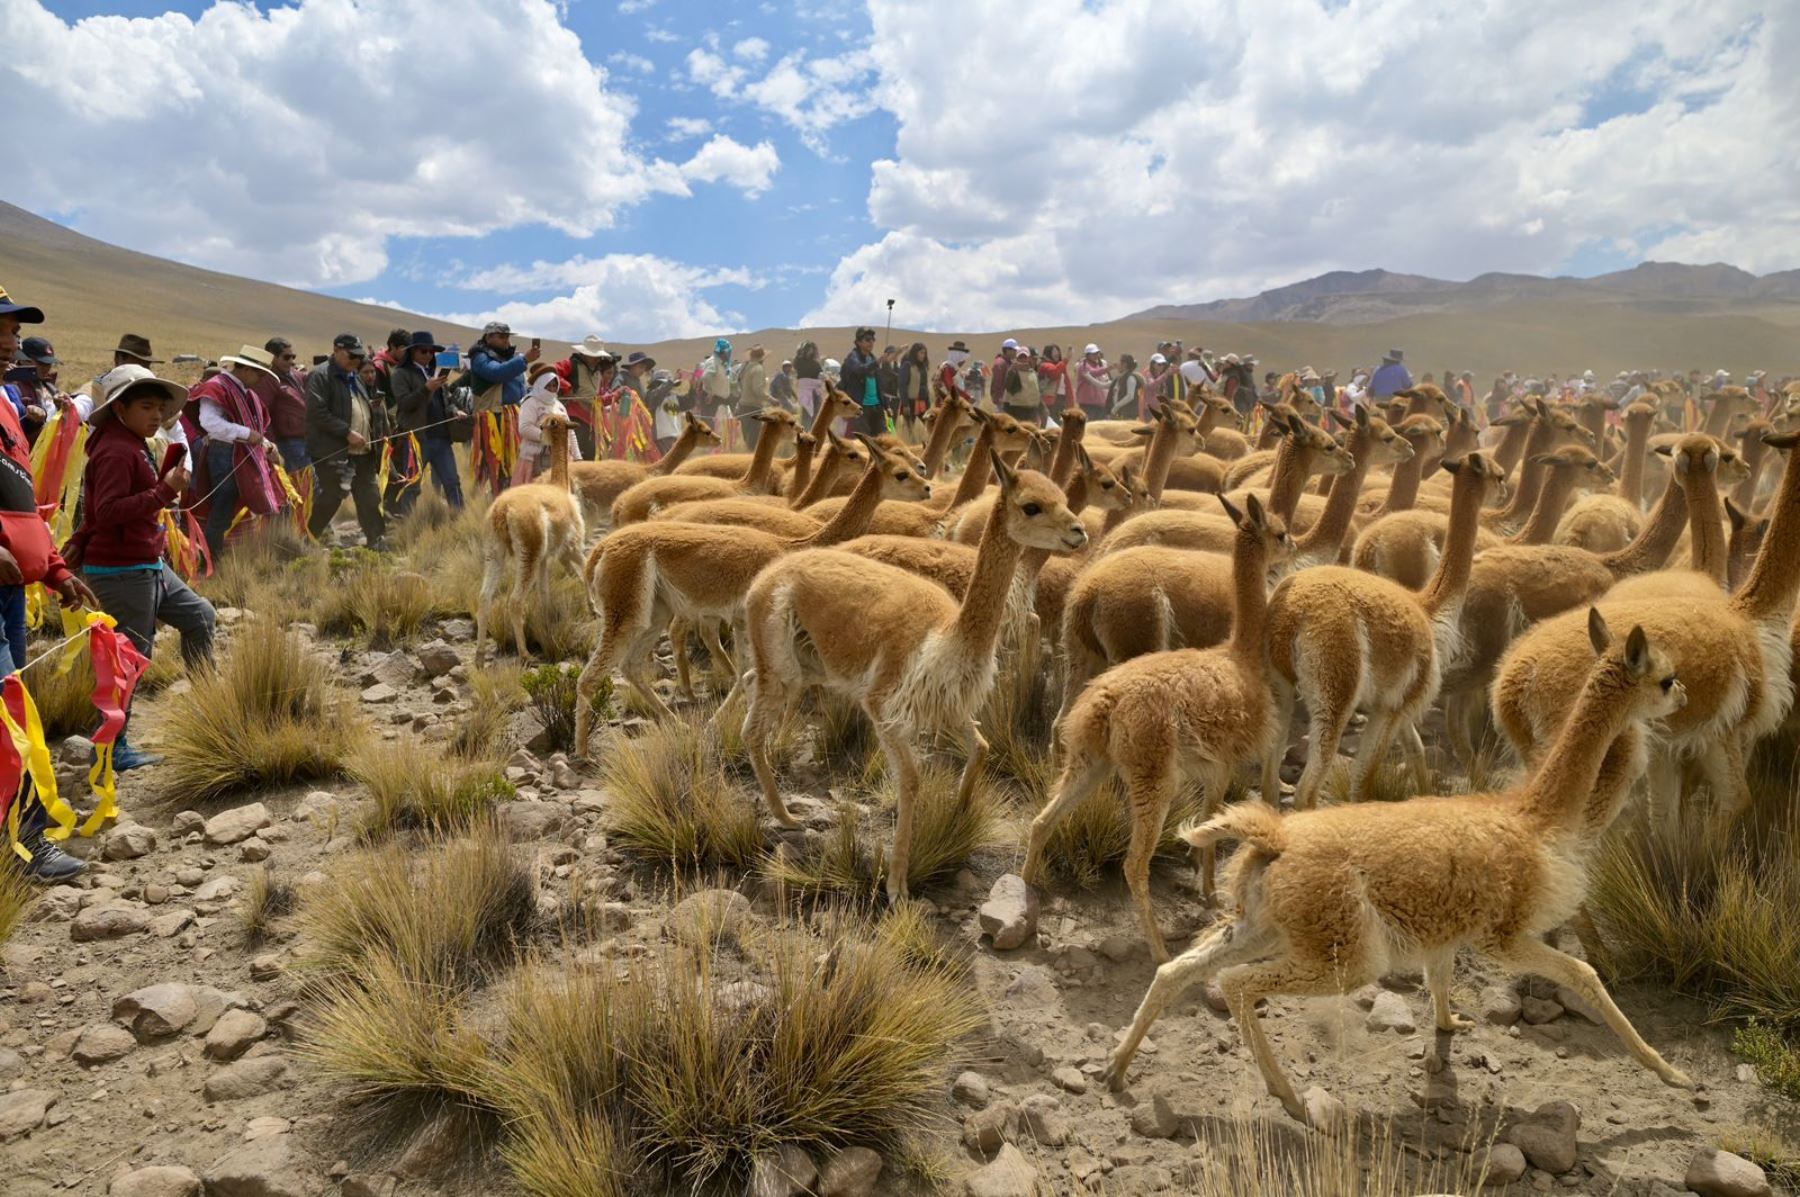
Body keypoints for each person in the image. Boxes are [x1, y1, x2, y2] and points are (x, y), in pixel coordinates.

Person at [0, 282, 104, 880]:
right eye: (3, 326)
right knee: (9, 718)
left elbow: (20, 502)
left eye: (14, 326)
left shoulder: (7, 406)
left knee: (13, 708)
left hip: (12, 590)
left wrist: (57, 569)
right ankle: (26, 844)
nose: (12, 336)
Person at [75, 365, 216, 755]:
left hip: (145, 562)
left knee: (201, 616)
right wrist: (164, 491)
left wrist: (160, 491)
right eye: (146, 407)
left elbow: (101, 514)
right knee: (131, 659)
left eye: (160, 408)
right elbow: (107, 512)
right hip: (121, 570)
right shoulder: (117, 451)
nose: (156, 415)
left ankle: (211, 707)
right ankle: (111, 747)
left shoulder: (131, 442)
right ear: (121, 409)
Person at [186, 345, 282, 561]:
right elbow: (210, 423)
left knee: (234, 506)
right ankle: (212, 560)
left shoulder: (248, 394)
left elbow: (256, 429)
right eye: (259, 373)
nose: (260, 379)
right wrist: (248, 434)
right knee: (222, 507)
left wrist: (266, 444)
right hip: (224, 455)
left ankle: (230, 555)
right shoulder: (217, 387)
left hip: (244, 454)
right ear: (246, 369)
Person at [305, 334, 386, 547]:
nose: (356, 361)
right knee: (332, 498)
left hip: (364, 452)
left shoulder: (354, 377)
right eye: (352, 356)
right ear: (336, 349)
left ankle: (376, 541)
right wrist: (346, 433)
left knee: (369, 497)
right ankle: (309, 539)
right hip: (336, 451)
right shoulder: (320, 376)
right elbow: (316, 412)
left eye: (359, 356)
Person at [513, 365, 584, 484]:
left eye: (554, 385)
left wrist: (577, 457)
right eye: (548, 385)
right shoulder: (530, 403)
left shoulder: (559, 406)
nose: (552, 388)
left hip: (559, 458)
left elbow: (570, 432)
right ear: (540, 385)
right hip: (534, 458)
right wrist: (547, 437)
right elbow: (525, 427)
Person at [68, 332, 163, 421]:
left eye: (146, 366)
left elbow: (174, 429)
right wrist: (68, 407)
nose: (140, 371)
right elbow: (78, 409)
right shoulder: (95, 389)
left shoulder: (153, 394)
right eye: (135, 365)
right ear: (117, 359)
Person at [251, 337, 311, 472]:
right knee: (297, 485)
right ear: (272, 357)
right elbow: (262, 414)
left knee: (309, 485)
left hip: (304, 438)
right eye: (286, 357)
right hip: (287, 443)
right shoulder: (266, 379)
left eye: (293, 357)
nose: (291, 361)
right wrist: (271, 445)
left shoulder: (295, 375)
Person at [556, 335, 611, 459]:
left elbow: (598, 398)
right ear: (585, 354)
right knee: (576, 453)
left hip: (592, 420)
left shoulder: (597, 372)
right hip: (575, 416)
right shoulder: (570, 364)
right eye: (594, 356)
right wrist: (567, 388)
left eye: (598, 356)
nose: (598, 359)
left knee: (592, 454)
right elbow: (551, 372)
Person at [468, 321, 536, 412]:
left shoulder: (509, 356)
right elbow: (496, 373)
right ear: (488, 338)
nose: (506, 340)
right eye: (501, 337)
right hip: (491, 415)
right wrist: (524, 360)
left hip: (514, 412)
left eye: (507, 337)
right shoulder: (480, 357)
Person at [840, 327, 882, 436]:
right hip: (859, 405)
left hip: (875, 405)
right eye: (867, 339)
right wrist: (877, 363)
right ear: (858, 342)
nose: (871, 342)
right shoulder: (852, 357)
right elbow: (859, 370)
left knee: (877, 438)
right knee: (860, 439)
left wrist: (884, 404)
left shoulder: (872, 358)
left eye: (873, 339)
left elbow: (879, 384)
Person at [736, 345, 772, 449]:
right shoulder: (758, 369)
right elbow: (758, 390)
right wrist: (770, 399)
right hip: (753, 407)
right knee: (753, 440)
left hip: (743, 406)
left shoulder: (745, 368)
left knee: (747, 438)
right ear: (762, 357)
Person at [699, 338, 734, 437]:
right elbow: (706, 376)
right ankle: (711, 451)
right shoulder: (713, 362)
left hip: (720, 401)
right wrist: (710, 392)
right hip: (713, 401)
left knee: (722, 430)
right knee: (712, 430)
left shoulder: (721, 363)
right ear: (723, 352)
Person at [1002, 345, 1042, 424]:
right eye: (1020, 357)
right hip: (1016, 409)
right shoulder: (1014, 372)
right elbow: (1008, 387)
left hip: (1031, 409)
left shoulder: (1033, 372)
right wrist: (1011, 371)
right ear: (1017, 359)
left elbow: (1037, 391)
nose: (1023, 359)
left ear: (1029, 358)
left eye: (1025, 357)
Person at [897, 342, 932, 431]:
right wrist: (905, 404)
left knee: (923, 429)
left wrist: (928, 404)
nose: (923, 355)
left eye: (924, 353)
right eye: (921, 353)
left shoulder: (923, 367)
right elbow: (902, 385)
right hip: (910, 403)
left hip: (923, 403)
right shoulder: (907, 365)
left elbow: (925, 386)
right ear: (915, 353)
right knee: (909, 429)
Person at [1074, 344, 1111, 421]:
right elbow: (1093, 372)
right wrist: (1109, 368)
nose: (1096, 355)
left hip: (1099, 403)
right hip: (1087, 404)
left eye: (1097, 353)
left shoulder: (1098, 365)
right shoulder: (1083, 366)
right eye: (1093, 354)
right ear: (1087, 355)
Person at [792, 339, 823, 420]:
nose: (810, 350)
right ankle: (806, 431)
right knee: (806, 415)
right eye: (808, 348)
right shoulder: (799, 361)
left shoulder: (815, 363)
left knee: (816, 414)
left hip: (815, 391)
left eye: (811, 348)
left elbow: (819, 374)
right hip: (805, 391)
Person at [1107, 353, 1141, 417]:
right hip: (1120, 413)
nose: (1117, 364)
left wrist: (1115, 407)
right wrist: (1087, 375)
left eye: (1119, 362)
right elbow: (1103, 385)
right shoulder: (1119, 379)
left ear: (1124, 364)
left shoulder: (1130, 378)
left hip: (1129, 414)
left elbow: (1130, 396)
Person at [990, 338, 1019, 409]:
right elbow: (998, 382)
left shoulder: (1008, 363)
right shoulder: (1000, 363)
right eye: (1014, 350)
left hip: (1008, 400)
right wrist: (999, 398)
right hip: (1002, 400)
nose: (1016, 352)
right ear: (1007, 350)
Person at [876, 345, 901, 430]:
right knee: (885, 423)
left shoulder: (897, 367)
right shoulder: (884, 368)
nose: (894, 357)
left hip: (895, 400)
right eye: (892, 355)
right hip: (885, 400)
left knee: (892, 423)